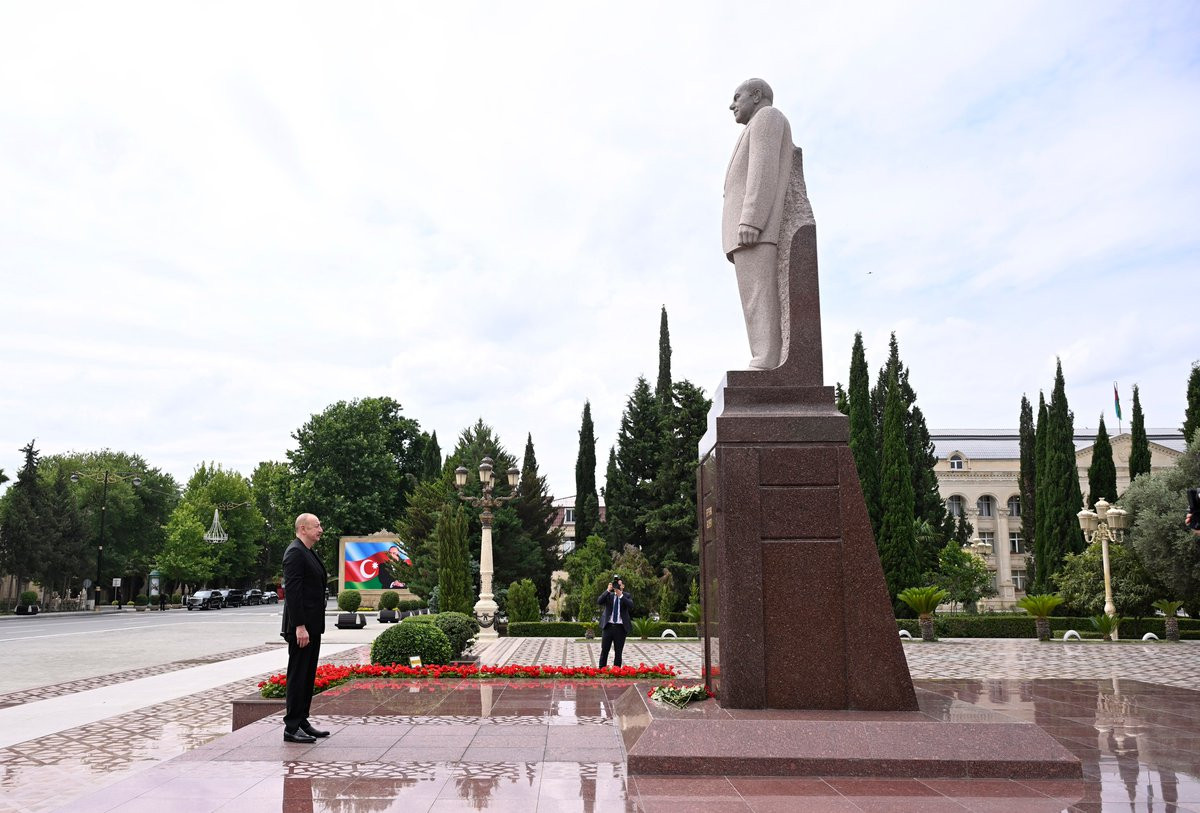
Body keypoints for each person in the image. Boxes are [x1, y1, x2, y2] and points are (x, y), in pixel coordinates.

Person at [723, 77, 794, 370]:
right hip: (749, 232)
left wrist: (751, 219)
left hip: (756, 231)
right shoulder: (755, 125)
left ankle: (766, 359)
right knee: (753, 298)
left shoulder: (767, 118)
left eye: (736, 97)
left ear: (755, 95)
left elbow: (762, 170)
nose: (732, 105)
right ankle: (763, 356)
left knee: (759, 296)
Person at [281, 513, 331, 743]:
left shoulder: (308, 551)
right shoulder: (295, 553)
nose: (321, 529)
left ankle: (302, 721)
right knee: (298, 674)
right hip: (301, 627)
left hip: (313, 625)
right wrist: (299, 626)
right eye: (316, 526)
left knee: (308, 675)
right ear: (303, 528)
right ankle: (291, 727)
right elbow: (292, 593)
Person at [597, 576, 633, 668]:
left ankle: (617, 671)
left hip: (620, 628)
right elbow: (599, 601)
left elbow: (631, 605)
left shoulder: (626, 595)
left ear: (623, 586)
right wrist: (607, 590)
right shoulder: (609, 595)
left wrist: (621, 595)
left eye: (619, 585)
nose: (617, 586)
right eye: (615, 584)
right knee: (604, 650)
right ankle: (601, 669)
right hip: (608, 626)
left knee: (618, 651)